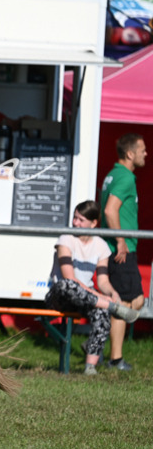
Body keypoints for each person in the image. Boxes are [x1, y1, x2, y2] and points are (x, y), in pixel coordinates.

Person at [47, 200, 139, 375]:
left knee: (101, 312)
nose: (75, 223)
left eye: (80, 220)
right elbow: (69, 278)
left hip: (88, 298)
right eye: (74, 218)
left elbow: (103, 281)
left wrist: (112, 293)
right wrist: (106, 301)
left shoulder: (101, 245)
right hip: (60, 296)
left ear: (94, 223)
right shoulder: (65, 239)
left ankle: (90, 367)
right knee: (68, 285)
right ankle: (113, 307)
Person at [100, 133, 147, 371]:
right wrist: (120, 240)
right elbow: (110, 211)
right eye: (142, 150)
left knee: (132, 300)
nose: (146, 154)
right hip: (121, 249)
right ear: (130, 154)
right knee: (128, 301)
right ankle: (113, 358)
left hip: (122, 247)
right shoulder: (125, 177)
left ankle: (99, 346)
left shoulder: (113, 174)